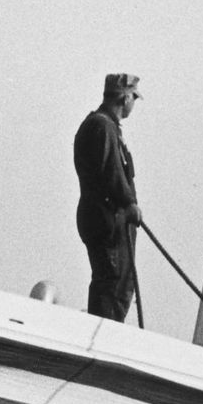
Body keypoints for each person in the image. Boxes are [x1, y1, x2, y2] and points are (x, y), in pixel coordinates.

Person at [72, 74, 143, 322]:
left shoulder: (103, 126)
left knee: (117, 282)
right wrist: (129, 203)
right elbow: (111, 172)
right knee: (113, 284)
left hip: (106, 217)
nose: (133, 104)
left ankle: (107, 330)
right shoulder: (102, 127)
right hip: (107, 219)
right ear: (125, 98)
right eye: (134, 98)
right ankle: (105, 334)